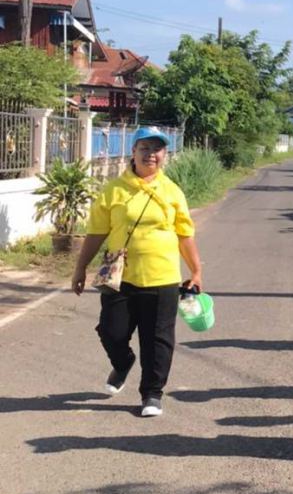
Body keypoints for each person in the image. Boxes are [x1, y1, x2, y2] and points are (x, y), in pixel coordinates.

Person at [70, 126, 203, 418]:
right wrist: (80, 267)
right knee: (111, 331)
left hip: (162, 277)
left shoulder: (172, 191)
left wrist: (196, 271)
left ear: (165, 154)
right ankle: (123, 362)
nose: (150, 154)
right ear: (133, 151)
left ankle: (152, 393)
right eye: (144, 148)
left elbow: (185, 235)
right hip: (120, 278)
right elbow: (96, 232)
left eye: (157, 149)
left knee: (158, 339)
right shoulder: (114, 189)